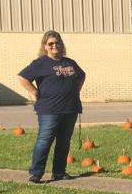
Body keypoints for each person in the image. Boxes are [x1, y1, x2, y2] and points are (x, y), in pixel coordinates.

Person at [17, 30, 86, 183]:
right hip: (49, 110)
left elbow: (82, 76)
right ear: (45, 46)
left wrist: (75, 90)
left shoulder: (70, 63)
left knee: (64, 141)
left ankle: (59, 172)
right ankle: (36, 173)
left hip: (70, 109)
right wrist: (34, 92)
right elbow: (22, 77)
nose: (55, 45)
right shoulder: (39, 63)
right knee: (44, 140)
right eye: (51, 43)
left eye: (57, 42)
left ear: (61, 44)